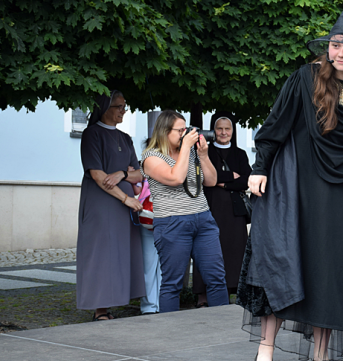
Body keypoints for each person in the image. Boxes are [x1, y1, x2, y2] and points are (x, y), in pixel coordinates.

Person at [236, 0, 343, 361]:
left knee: (333, 269)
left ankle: (321, 352)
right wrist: (259, 169)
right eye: (335, 44)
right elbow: (274, 128)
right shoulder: (304, 81)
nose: (340, 52)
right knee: (284, 259)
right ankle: (266, 349)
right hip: (297, 190)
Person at [140, 110, 230, 313]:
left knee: (216, 278)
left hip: (203, 220)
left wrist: (204, 156)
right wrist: (186, 149)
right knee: (173, 283)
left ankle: (223, 329)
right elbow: (175, 178)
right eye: (180, 130)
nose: (185, 133)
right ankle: (171, 333)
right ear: (164, 131)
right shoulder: (151, 157)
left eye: (186, 129)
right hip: (172, 223)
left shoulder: (189, 152)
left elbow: (212, 181)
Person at [76, 91, 145, 321]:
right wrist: (126, 198)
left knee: (122, 253)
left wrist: (121, 173)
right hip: (101, 205)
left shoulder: (125, 138)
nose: (123, 111)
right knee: (101, 254)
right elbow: (97, 175)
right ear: (105, 107)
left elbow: (139, 174)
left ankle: (122, 297)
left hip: (124, 207)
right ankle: (100, 309)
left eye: (125, 106)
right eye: (119, 106)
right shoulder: (91, 135)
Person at [192, 112, 251, 308]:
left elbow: (246, 180)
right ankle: (203, 295)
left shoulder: (240, 154)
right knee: (207, 250)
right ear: (213, 130)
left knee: (234, 252)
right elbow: (205, 179)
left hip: (234, 214)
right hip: (210, 208)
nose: (224, 132)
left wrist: (222, 183)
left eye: (228, 129)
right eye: (219, 128)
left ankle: (231, 292)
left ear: (233, 131)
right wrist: (228, 176)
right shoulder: (204, 152)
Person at [135, 176, 162, 314]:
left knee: (150, 266)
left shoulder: (142, 168)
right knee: (154, 266)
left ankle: (151, 306)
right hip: (155, 217)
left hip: (148, 217)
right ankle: (154, 305)